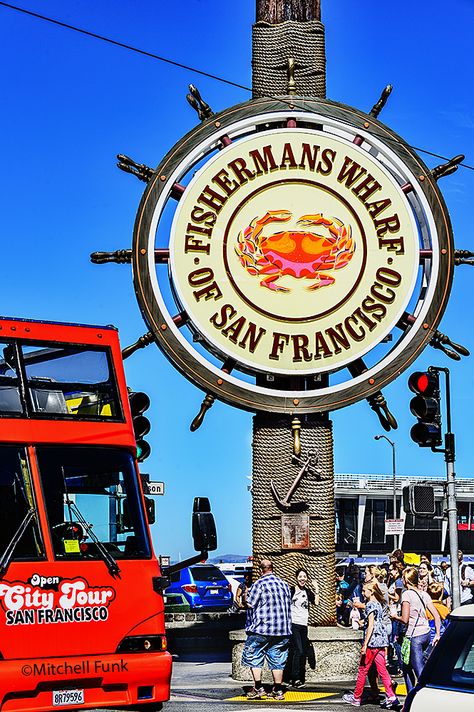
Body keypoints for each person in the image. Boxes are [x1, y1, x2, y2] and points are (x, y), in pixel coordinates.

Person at [342, 580, 400, 709]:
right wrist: (365, 623)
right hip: (381, 641)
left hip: (372, 642)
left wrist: (365, 644)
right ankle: (391, 696)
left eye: (364, 591)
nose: (362, 593)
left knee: (363, 669)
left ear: (371, 591)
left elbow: (371, 626)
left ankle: (356, 697)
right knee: (382, 669)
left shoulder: (369, 605)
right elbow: (374, 622)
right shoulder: (379, 604)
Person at [242, 559, 292, 700]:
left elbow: (250, 604)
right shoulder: (284, 584)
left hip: (261, 629)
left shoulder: (259, 584)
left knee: (254, 656)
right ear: (272, 568)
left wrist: (246, 595)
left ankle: (258, 687)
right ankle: (278, 689)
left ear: (260, 570)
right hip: (282, 630)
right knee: (278, 659)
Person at [391, 566, 441, 693]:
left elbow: (405, 619)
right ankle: (411, 696)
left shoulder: (406, 594)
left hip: (414, 636)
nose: (401, 580)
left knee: (418, 671)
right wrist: (437, 634)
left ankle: (425, 696)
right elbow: (436, 615)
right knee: (408, 666)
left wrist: (395, 616)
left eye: (403, 578)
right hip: (426, 633)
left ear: (406, 580)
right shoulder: (424, 594)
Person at [289, 568, 319, 688]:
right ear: (296, 578)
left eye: (304, 577)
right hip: (294, 624)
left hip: (303, 624)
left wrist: (316, 589)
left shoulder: (307, 591)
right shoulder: (292, 590)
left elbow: (316, 602)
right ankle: (295, 678)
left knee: (302, 652)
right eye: (300, 576)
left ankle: (299, 677)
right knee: (299, 651)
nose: (302, 579)